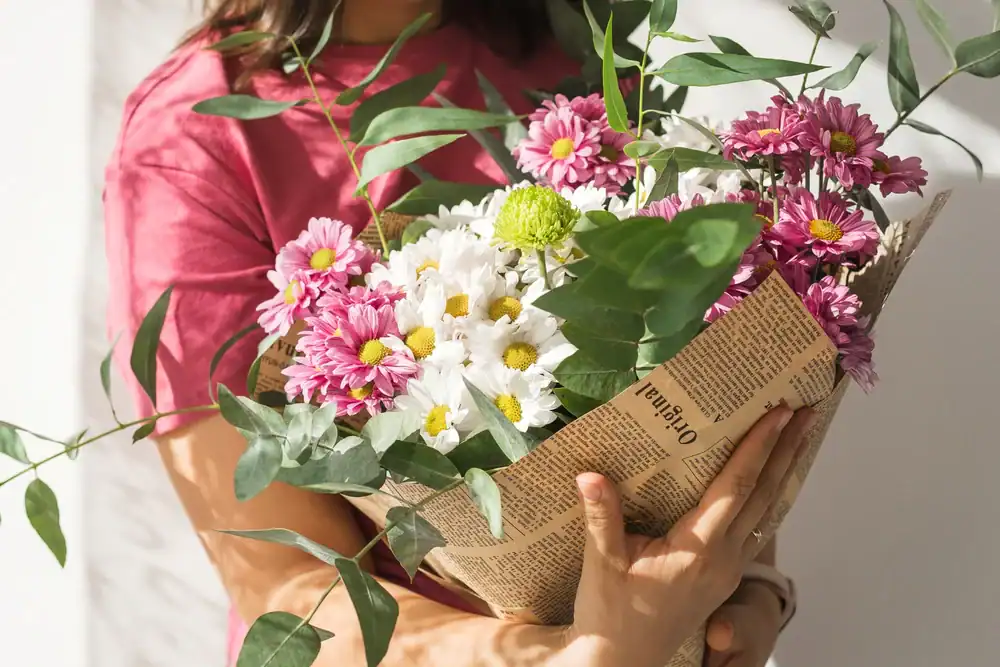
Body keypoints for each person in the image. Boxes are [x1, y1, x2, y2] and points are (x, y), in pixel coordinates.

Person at [103, 1, 810, 665]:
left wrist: (751, 585)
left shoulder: (581, 50)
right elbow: (287, 587)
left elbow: (698, 365)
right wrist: (577, 652)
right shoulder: (194, 139)